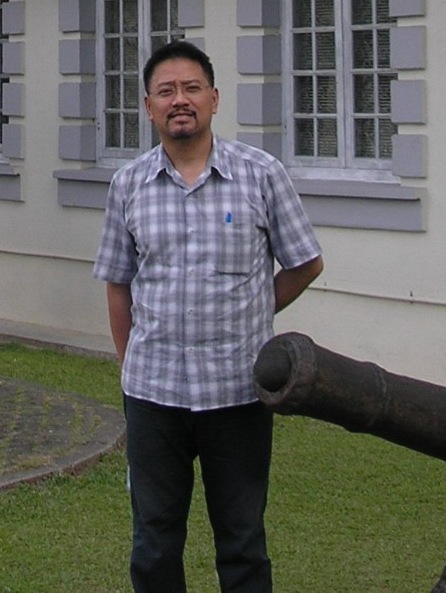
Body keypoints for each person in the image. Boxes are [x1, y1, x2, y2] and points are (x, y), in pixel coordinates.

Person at [94, 40, 324, 593]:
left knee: (243, 542)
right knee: (153, 542)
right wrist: (130, 366)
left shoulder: (260, 174)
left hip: (237, 395)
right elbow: (118, 284)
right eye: (166, 91)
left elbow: (305, 264)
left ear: (215, 99)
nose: (180, 100)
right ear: (148, 106)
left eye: (192, 88)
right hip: (153, 396)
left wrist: (249, 309)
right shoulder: (128, 185)